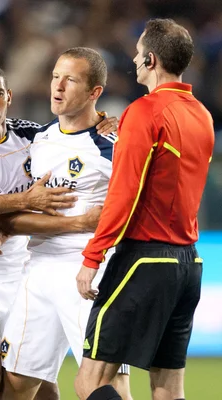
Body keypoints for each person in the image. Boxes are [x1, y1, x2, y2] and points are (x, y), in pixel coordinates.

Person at [74, 19, 215, 400]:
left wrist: (92, 256)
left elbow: (125, 194)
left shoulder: (144, 111)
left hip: (144, 261)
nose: (134, 60)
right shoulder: (201, 114)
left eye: (139, 54)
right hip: (189, 264)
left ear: (151, 59)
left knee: (90, 381)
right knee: (168, 390)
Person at [0, 48, 131, 400]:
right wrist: (7, 225)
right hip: (36, 272)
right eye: (55, 76)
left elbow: (134, 206)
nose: (58, 86)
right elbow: (17, 208)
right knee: (17, 384)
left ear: (95, 92)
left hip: (90, 275)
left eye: (71, 79)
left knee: (104, 386)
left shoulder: (113, 145)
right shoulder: (40, 140)